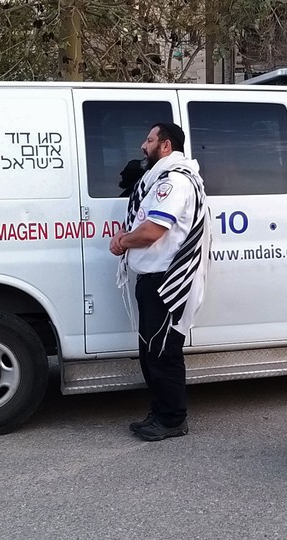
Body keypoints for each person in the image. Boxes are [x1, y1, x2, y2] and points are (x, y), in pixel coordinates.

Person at [110, 123, 211, 442]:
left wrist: (124, 242)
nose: (143, 145)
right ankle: (161, 411)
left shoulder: (175, 182)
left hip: (168, 282)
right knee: (150, 351)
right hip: (153, 279)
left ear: (165, 146)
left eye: (150, 140)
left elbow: (154, 230)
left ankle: (172, 419)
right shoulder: (160, 179)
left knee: (163, 352)